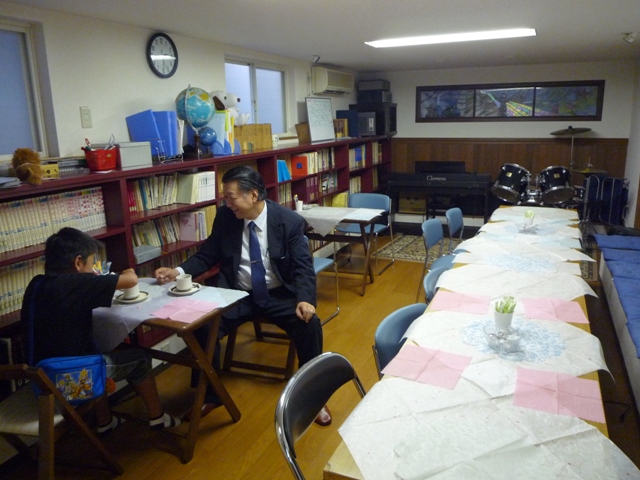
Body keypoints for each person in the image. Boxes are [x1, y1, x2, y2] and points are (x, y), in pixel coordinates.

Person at [154, 165, 331, 425]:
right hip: (236, 294)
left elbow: (302, 267)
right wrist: (178, 271)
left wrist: (305, 299)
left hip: (278, 294)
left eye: (231, 197)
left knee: (309, 325)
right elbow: (207, 255)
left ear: (253, 195)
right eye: (225, 197)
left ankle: (315, 395)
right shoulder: (226, 217)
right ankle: (209, 395)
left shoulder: (288, 221)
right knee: (202, 327)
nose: (227, 203)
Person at [21, 227, 181, 434]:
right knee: (141, 359)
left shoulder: (36, 284)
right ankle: (157, 417)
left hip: (40, 380)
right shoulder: (77, 283)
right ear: (78, 262)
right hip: (69, 382)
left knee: (95, 350)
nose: (93, 269)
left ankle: (104, 422)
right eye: (91, 263)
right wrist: (126, 272)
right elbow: (131, 280)